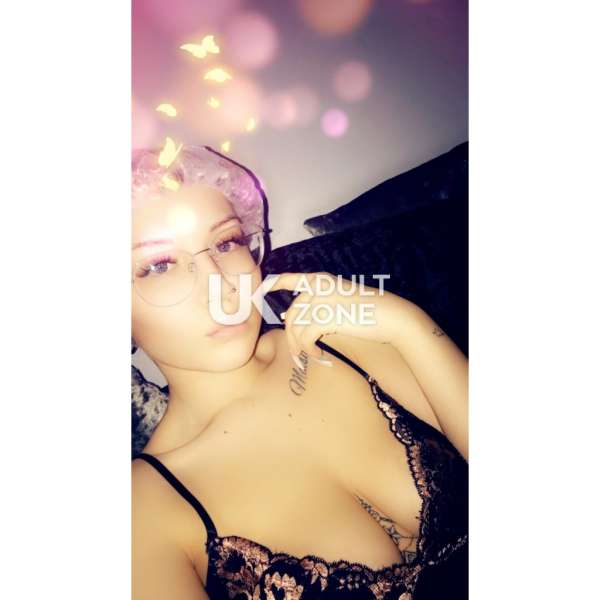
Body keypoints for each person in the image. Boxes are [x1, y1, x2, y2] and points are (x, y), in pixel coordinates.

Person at [131, 144, 468, 599]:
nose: (221, 287)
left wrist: (410, 326)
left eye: (227, 243)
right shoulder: (143, 511)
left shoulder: (344, 338)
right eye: (159, 266)